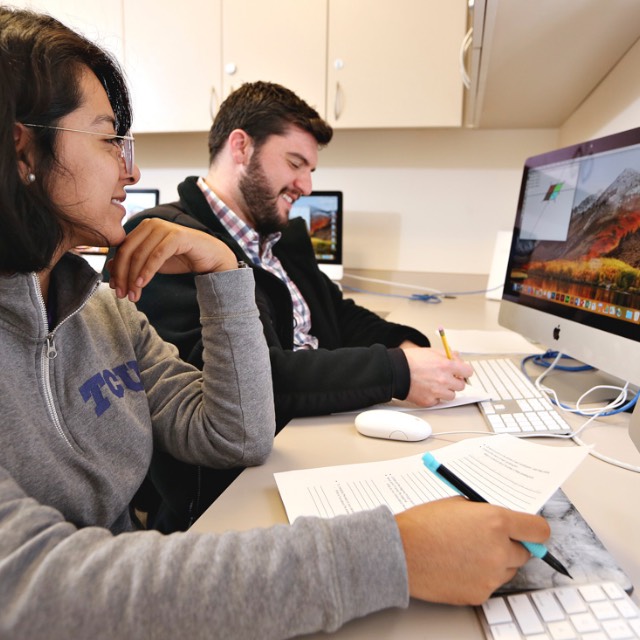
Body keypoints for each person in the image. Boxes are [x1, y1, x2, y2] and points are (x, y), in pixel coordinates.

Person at [0, 7, 553, 639]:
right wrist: (392, 552)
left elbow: (236, 437)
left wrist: (223, 272)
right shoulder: (133, 279)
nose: (133, 171)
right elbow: (31, 587)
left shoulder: (103, 310)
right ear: (23, 150)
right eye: (108, 140)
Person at [113, 81, 475, 531]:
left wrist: (405, 344)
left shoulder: (275, 238)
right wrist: (396, 372)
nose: (305, 184)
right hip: (236, 487)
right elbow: (250, 383)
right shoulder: (171, 242)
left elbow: (337, 314)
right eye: (295, 163)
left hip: (314, 432)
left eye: (311, 170)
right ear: (241, 146)